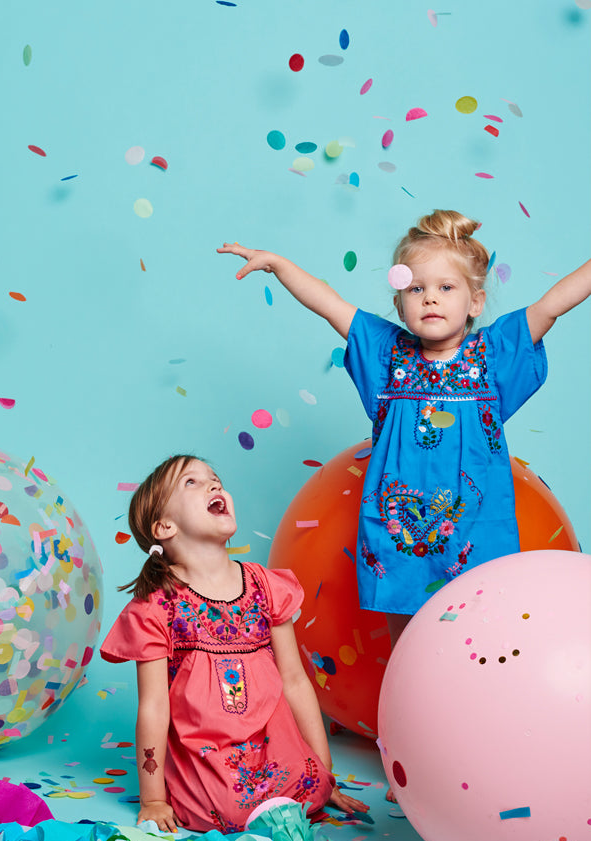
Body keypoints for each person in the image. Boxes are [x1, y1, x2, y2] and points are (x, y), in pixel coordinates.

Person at [218, 213, 591, 651]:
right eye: (416, 288)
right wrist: (279, 265)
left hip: (476, 538)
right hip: (400, 542)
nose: (430, 298)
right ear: (399, 305)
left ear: (475, 302)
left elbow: (552, 305)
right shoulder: (385, 354)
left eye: (445, 287)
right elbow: (328, 302)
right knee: (410, 651)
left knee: (479, 648)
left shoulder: (494, 356)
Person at [100, 455, 370, 834]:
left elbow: (294, 681)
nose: (214, 485)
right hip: (207, 751)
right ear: (164, 526)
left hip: (270, 742)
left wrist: (326, 776)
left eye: (215, 478)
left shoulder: (265, 585)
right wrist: (153, 799)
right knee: (222, 810)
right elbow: (154, 707)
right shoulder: (157, 603)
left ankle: (299, 790)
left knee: (310, 790)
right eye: (192, 482)